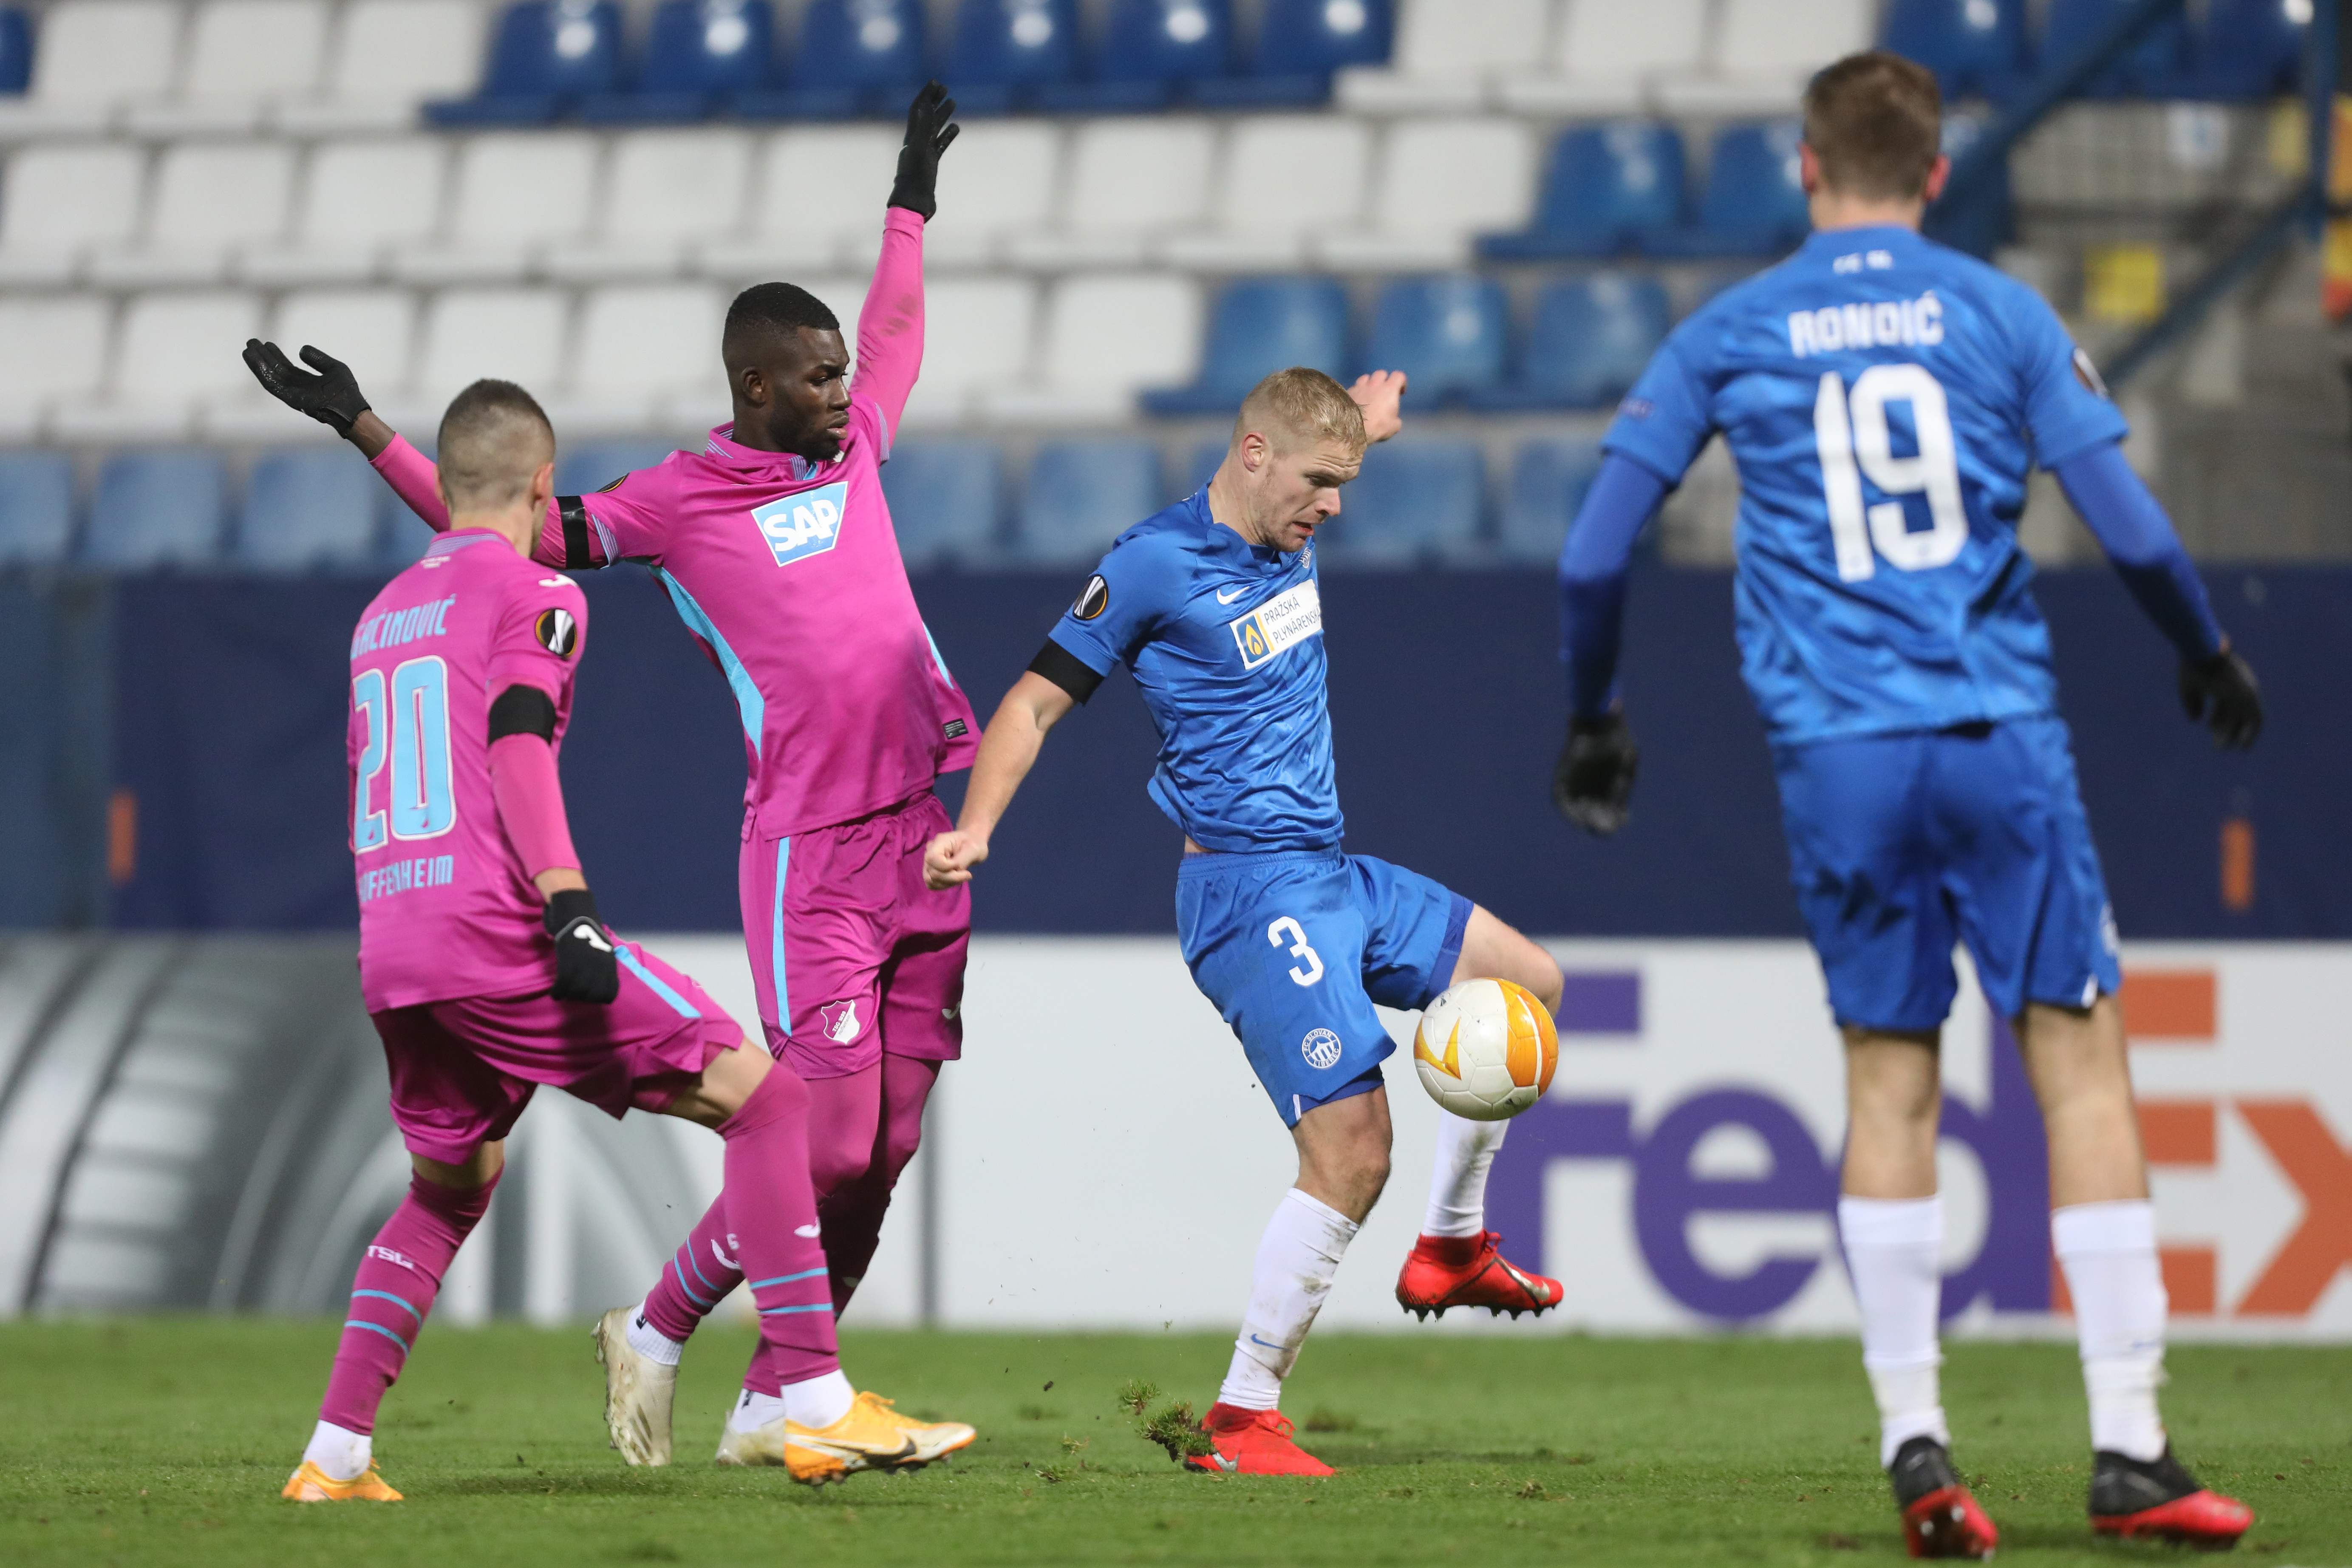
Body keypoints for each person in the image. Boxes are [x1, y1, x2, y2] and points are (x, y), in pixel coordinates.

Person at [1550, 51, 2259, 1557]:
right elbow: (2126, 520)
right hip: (1997, 735)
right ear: (1938, 174)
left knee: (1890, 1080)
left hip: (1839, 756)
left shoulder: (1730, 331)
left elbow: (1593, 555)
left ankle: (1916, 1441)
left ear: (1806, 169)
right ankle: (2129, 1446)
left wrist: (1595, 714)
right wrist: (2203, 651)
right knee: (2078, 1069)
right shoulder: (1998, 310)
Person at [246, 84, 977, 1468]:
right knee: (803, 1126)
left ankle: (767, 1385)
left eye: (839, 373)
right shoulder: (674, 502)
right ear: (756, 385)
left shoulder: (861, 442)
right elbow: (502, 528)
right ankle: (686, 1341)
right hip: (807, 843)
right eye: (813, 376)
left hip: (919, 832)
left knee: (876, 1146)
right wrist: (370, 432)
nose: (843, 390)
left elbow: (895, 334)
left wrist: (910, 204)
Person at [923, 367, 1567, 1477]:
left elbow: (1326, 435)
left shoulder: (1289, 493)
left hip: (1328, 868)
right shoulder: (1152, 565)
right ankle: (1241, 1415)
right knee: (1353, 1150)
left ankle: (1452, 1242)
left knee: (1528, 984)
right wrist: (976, 824)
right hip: (1247, 892)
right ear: (1254, 454)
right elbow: (1033, 699)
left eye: (1349, 482)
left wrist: (1365, 425)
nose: (1335, 508)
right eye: (1321, 483)